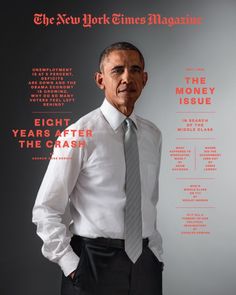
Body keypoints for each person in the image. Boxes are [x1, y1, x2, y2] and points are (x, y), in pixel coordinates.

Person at [32, 41, 163, 295]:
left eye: (135, 70)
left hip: (145, 264)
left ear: (144, 79)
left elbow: (149, 200)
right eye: (118, 70)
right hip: (92, 262)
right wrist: (71, 265)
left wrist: (155, 254)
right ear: (100, 79)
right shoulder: (78, 134)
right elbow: (45, 209)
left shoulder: (152, 135)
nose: (128, 77)